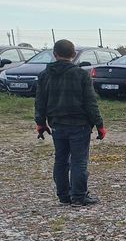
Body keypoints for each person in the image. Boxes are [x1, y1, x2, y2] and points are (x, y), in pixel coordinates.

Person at [34, 39, 107, 207]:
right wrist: (99, 125)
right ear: (73, 55)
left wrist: (40, 122)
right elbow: (90, 102)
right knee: (79, 161)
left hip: (57, 124)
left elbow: (40, 101)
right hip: (79, 125)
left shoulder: (45, 75)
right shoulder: (81, 74)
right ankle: (79, 196)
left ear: (54, 54)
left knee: (60, 160)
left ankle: (64, 196)